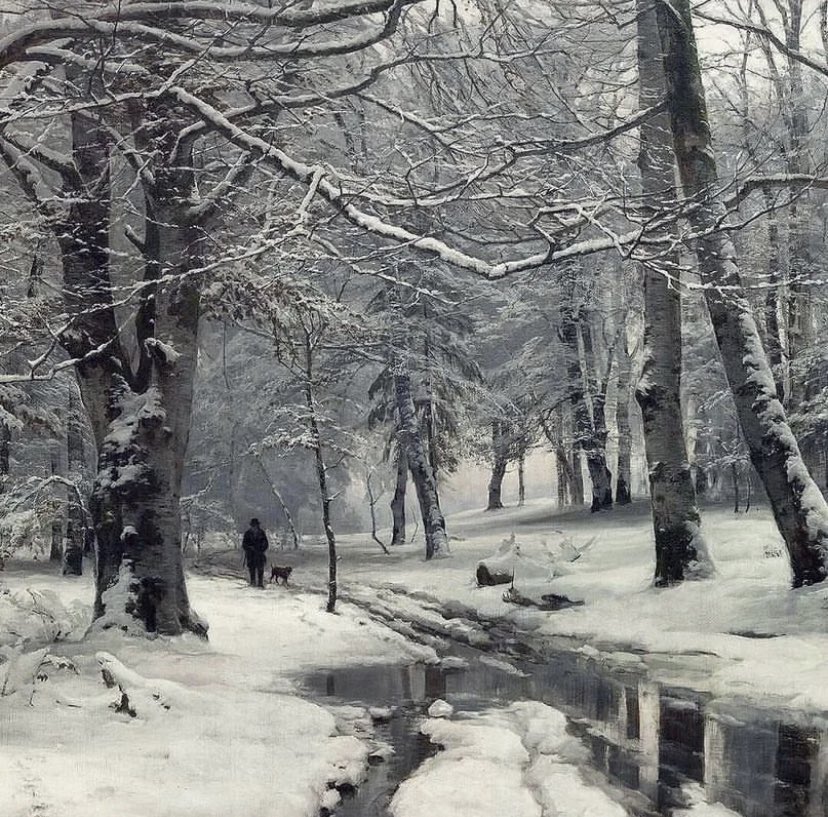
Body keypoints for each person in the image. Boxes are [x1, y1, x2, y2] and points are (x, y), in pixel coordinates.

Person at [242, 518, 269, 587]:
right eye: (253, 525)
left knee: (260, 569)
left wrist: (261, 549)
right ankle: (252, 582)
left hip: (259, 555)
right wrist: (249, 548)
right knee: (252, 569)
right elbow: (244, 544)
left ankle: (260, 583)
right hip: (251, 555)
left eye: (255, 525)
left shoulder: (262, 533)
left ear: (257, 525)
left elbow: (266, 543)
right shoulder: (247, 534)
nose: (254, 527)